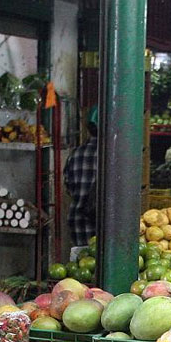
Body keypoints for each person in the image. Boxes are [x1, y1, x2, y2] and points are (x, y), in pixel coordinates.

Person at [64, 106, 98, 248]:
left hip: (79, 221)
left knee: (82, 265)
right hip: (107, 225)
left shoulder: (76, 154)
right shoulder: (116, 157)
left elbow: (69, 187)